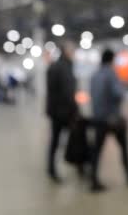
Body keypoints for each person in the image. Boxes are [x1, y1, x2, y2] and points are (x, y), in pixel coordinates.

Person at [90, 49, 128, 193]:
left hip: (98, 118)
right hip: (112, 118)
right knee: (124, 147)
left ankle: (93, 180)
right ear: (112, 60)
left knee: (97, 150)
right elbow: (118, 93)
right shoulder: (111, 74)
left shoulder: (94, 75)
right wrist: (124, 86)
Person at [45, 42, 79, 183]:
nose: (74, 53)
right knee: (75, 138)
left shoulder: (54, 66)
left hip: (55, 110)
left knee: (55, 141)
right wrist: (75, 109)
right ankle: (79, 164)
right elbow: (67, 91)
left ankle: (52, 168)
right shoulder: (64, 67)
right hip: (64, 111)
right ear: (66, 51)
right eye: (72, 50)